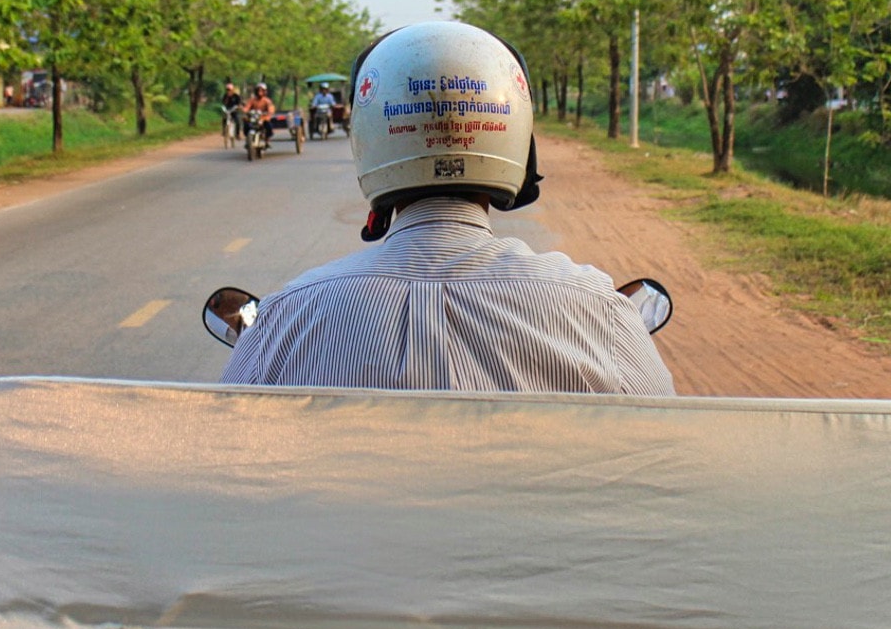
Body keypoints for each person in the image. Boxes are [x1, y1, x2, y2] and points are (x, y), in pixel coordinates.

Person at [221, 21, 674, 394]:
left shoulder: (284, 318)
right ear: (519, 142)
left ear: (367, 141)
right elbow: (665, 454)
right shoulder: (600, 311)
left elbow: (228, 455)